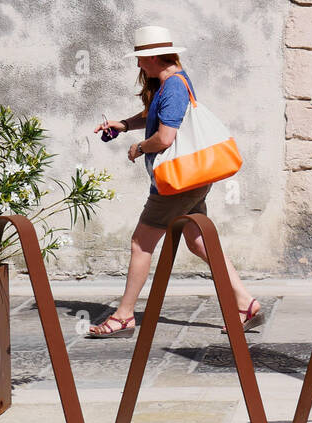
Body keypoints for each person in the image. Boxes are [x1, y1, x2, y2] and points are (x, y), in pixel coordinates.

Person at [86, 24, 261, 337]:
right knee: (199, 242)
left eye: (141, 58)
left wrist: (139, 147)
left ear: (154, 57)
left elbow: (165, 138)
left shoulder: (174, 86)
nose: (138, 64)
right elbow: (157, 115)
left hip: (175, 184)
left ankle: (124, 315)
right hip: (191, 179)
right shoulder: (172, 82)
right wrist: (124, 124)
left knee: (141, 243)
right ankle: (244, 302)